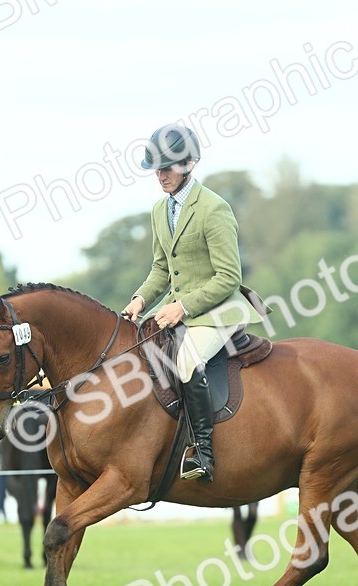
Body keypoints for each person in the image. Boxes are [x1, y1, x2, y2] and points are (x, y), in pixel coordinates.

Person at [121, 123, 262, 482]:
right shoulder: (159, 210)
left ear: (189, 164)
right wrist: (140, 299)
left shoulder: (214, 209)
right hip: (174, 309)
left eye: (167, 167)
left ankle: (202, 451)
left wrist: (182, 308)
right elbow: (161, 268)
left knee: (186, 363)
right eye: (156, 168)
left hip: (219, 310)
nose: (160, 175)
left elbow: (228, 277)